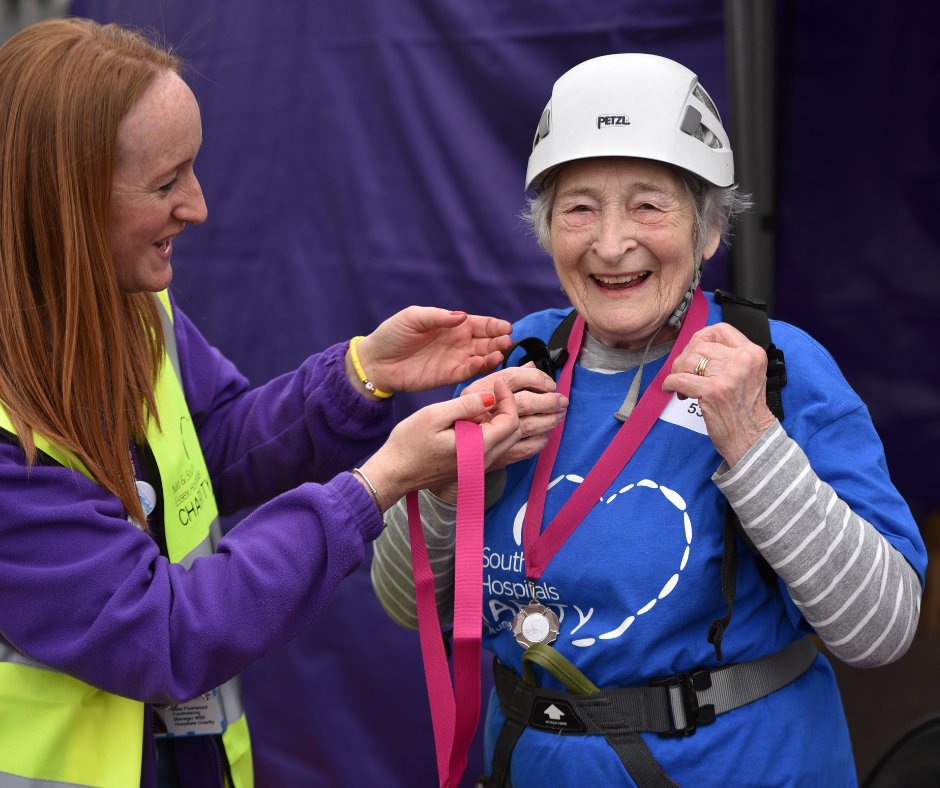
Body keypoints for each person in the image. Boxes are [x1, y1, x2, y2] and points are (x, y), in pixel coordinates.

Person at [371, 53, 927, 786]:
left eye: (647, 204)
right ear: (546, 230)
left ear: (707, 231)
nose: (609, 243)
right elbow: (408, 605)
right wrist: (444, 485)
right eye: (578, 207)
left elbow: (882, 630)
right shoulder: (520, 359)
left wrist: (753, 441)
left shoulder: (775, 366)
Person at [0, 17, 528, 788]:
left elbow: (211, 446)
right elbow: (165, 630)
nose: (199, 207)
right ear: (64, 198)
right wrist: (373, 487)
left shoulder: (135, 311)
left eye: (194, 170)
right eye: (165, 182)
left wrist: (360, 376)